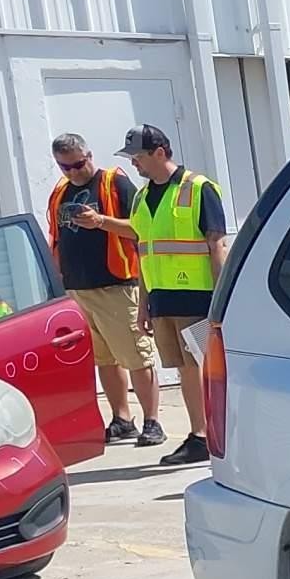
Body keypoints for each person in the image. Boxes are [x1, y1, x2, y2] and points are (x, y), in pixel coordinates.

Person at [80, 125, 228, 467]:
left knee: (210, 370)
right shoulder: (143, 198)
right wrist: (144, 303)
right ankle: (200, 436)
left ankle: (221, 435)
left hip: (199, 299)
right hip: (164, 300)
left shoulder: (198, 188)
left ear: (160, 152)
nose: (134, 164)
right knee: (186, 371)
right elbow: (144, 246)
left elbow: (216, 246)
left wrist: (221, 302)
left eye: (138, 156)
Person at [47, 133, 163, 446]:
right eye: (65, 167)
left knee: (137, 357)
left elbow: (141, 228)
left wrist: (99, 221)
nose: (72, 172)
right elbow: (56, 238)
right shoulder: (60, 191)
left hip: (116, 285)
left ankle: (152, 421)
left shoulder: (114, 183)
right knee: (104, 359)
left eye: (77, 164)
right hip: (78, 289)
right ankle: (122, 418)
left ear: (89, 155)